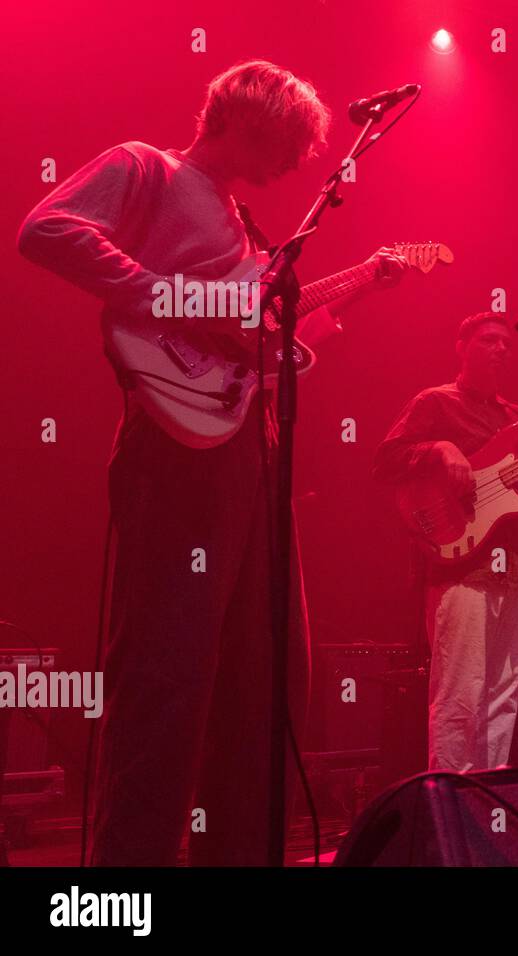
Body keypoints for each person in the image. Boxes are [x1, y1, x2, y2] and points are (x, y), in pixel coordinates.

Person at [16, 60, 407, 864]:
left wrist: (360, 288)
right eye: (291, 143)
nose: (298, 163)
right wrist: (168, 297)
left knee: (267, 682)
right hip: (174, 452)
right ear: (246, 120)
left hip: (248, 449)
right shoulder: (146, 167)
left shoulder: (248, 227)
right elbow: (45, 230)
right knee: (165, 680)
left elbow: (263, 343)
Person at [373, 313, 518, 772]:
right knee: (460, 695)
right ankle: (449, 802)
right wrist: (439, 449)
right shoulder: (435, 403)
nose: (501, 349)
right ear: (462, 346)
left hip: (513, 572)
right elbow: (386, 459)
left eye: (506, 344)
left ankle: (490, 799)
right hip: (459, 566)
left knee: (501, 699)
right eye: (489, 340)